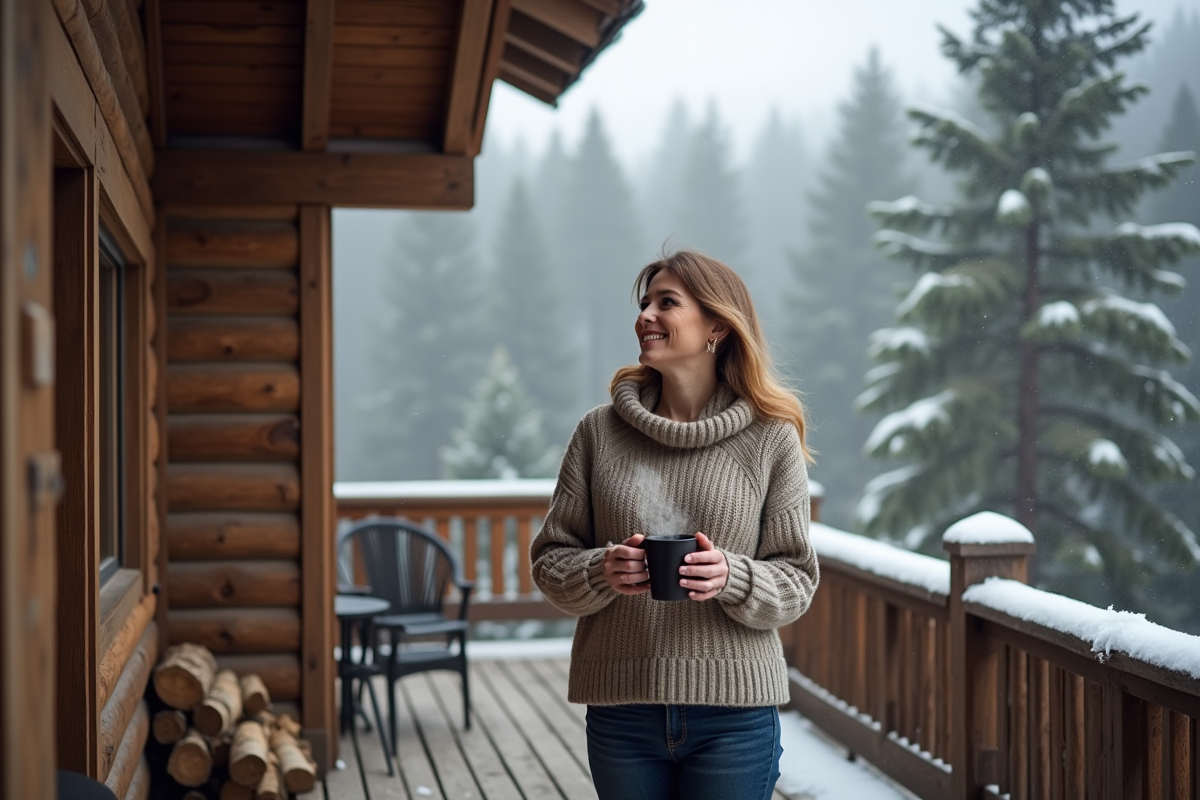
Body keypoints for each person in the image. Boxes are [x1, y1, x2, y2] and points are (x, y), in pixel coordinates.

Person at [530, 249, 819, 800]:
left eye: (667, 303)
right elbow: (550, 562)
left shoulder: (769, 437)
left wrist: (731, 577)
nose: (645, 316)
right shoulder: (598, 433)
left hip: (735, 714)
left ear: (717, 326)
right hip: (622, 710)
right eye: (644, 304)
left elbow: (797, 581)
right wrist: (601, 570)